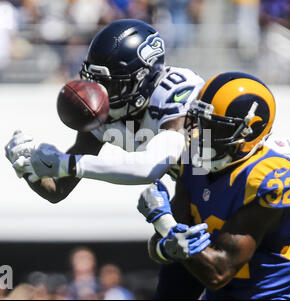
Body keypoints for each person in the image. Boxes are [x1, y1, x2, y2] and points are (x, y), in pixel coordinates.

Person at [138, 72, 290, 300]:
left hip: (274, 296)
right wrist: (167, 241)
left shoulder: (270, 178)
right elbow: (161, 248)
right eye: (200, 122)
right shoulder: (191, 158)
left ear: (248, 130)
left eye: (214, 127)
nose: (201, 135)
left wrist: (164, 223)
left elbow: (219, 272)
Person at [5, 19, 205, 218]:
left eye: (110, 84)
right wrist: (29, 169)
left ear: (144, 78)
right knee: (166, 244)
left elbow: (150, 167)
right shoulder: (106, 114)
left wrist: (67, 163)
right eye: (94, 80)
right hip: (197, 188)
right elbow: (58, 189)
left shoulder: (174, 92)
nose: (99, 92)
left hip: (229, 177)